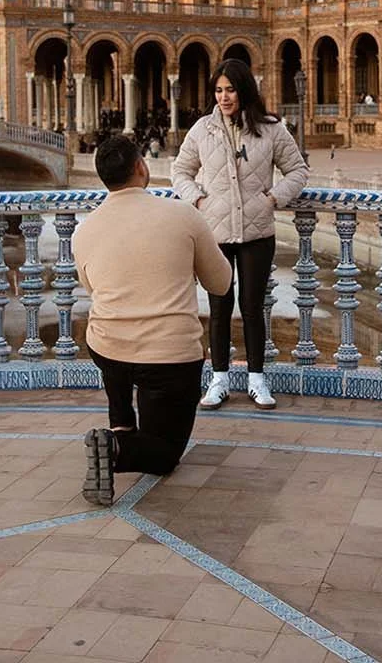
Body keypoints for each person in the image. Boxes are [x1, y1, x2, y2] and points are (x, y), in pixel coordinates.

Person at [75, 135, 232, 507]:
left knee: (114, 351)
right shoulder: (182, 214)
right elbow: (221, 283)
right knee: (164, 455)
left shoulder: (84, 231)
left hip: (108, 348)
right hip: (169, 355)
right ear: (141, 168)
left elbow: (92, 287)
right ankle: (115, 447)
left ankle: (120, 426)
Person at [173, 58, 308, 411]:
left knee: (252, 307)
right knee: (219, 307)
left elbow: (297, 170)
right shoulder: (202, 130)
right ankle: (218, 378)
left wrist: (274, 198)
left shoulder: (271, 129)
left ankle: (256, 379)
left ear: (244, 89)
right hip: (215, 232)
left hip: (257, 232)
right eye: (218, 91)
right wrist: (198, 199)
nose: (224, 97)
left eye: (230, 89)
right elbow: (180, 172)